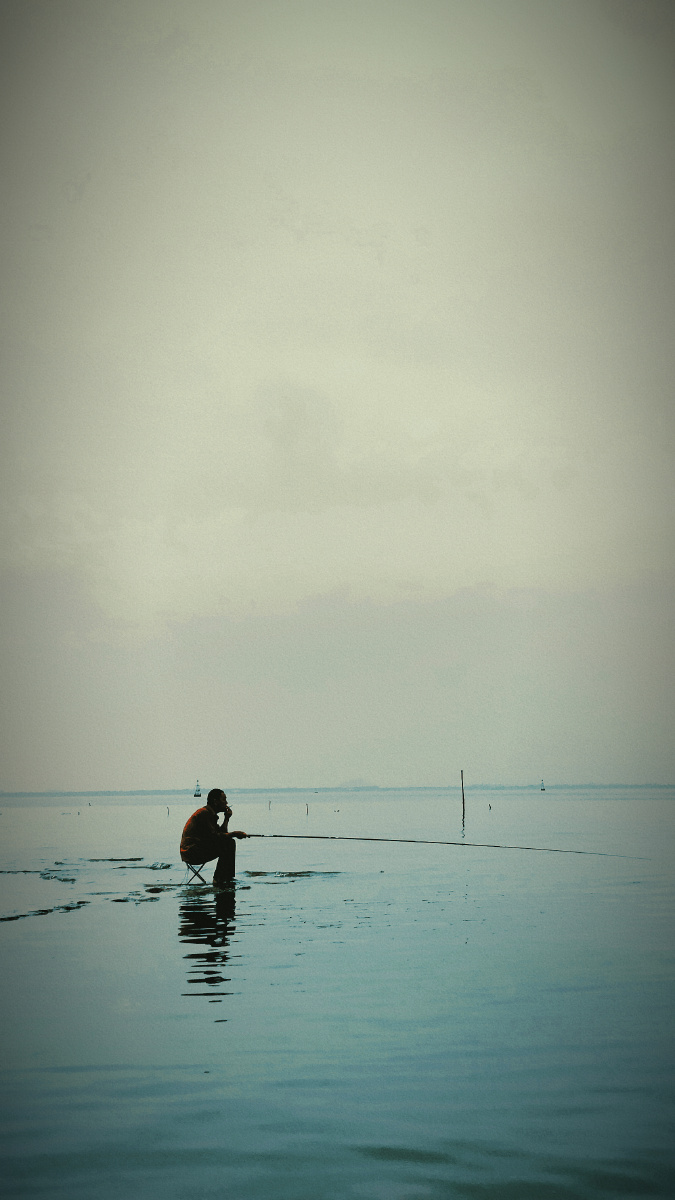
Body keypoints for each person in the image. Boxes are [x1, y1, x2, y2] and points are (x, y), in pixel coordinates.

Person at [180, 788, 248, 884]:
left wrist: (227, 818)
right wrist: (234, 834)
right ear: (215, 801)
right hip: (191, 853)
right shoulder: (204, 813)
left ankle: (226, 877)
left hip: (197, 849)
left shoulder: (209, 813)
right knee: (229, 843)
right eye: (224, 800)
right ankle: (220, 879)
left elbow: (222, 834)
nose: (226, 802)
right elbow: (216, 837)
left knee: (229, 842)